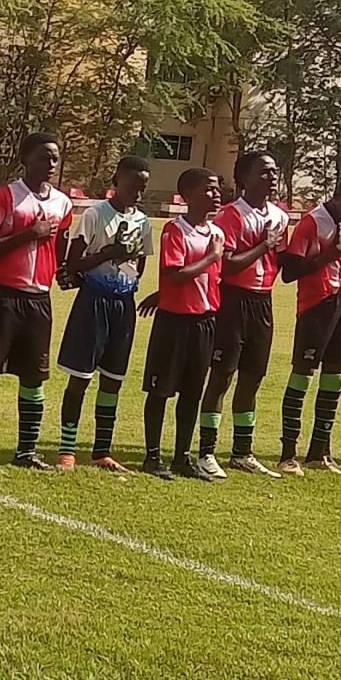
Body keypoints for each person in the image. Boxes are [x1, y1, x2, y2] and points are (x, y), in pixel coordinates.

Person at [0, 133, 73, 471]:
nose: (51, 163)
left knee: (34, 377)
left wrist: (66, 271)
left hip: (39, 300)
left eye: (55, 158)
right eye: (43, 157)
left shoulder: (63, 204)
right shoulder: (5, 196)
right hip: (4, 297)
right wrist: (28, 234)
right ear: (25, 159)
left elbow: (60, 248)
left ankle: (26, 451)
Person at [54, 154, 152, 472]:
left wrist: (126, 268)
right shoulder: (95, 214)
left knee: (113, 380)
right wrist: (108, 253)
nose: (138, 191)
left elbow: (139, 266)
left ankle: (101, 450)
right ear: (117, 180)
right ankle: (67, 449)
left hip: (123, 305)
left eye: (143, 187)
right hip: (93, 302)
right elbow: (73, 263)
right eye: (133, 184)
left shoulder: (143, 222)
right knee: (80, 377)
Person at [196, 150, 290, 476]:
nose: (272, 177)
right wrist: (264, 245)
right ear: (244, 178)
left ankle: (242, 451)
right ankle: (206, 451)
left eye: (274, 171)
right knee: (222, 375)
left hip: (263, 302)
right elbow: (227, 265)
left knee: (253, 377)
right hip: (233, 300)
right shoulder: (231, 216)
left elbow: (282, 261)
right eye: (264, 171)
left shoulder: (280, 217)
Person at [275, 173, 341, 476]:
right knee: (302, 377)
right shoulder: (312, 222)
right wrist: (332, 253)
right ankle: (288, 455)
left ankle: (319, 452)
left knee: (335, 377)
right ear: (340, 195)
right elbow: (289, 272)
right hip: (315, 307)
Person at [141, 166, 225, 480]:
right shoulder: (175, 230)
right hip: (175, 323)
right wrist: (211, 257)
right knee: (161, 390)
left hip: (205, 322)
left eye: (217, 189)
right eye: (208, 189)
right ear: (188, 195)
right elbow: (175, 275)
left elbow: (209, 280)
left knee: (192, 393)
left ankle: (181, 457)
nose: (216, 194)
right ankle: (152, 457)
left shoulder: (216, 233)